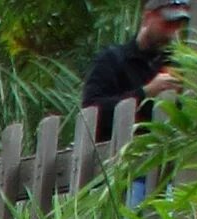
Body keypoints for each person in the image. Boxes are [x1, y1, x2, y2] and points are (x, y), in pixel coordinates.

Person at [81, 0, 189, 129]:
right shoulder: (112, 59)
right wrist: (145, 93)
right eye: (167, 24)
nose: (171, 33)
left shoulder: (177, 64)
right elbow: (90, 112)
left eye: (177, 26)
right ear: (148, 17)